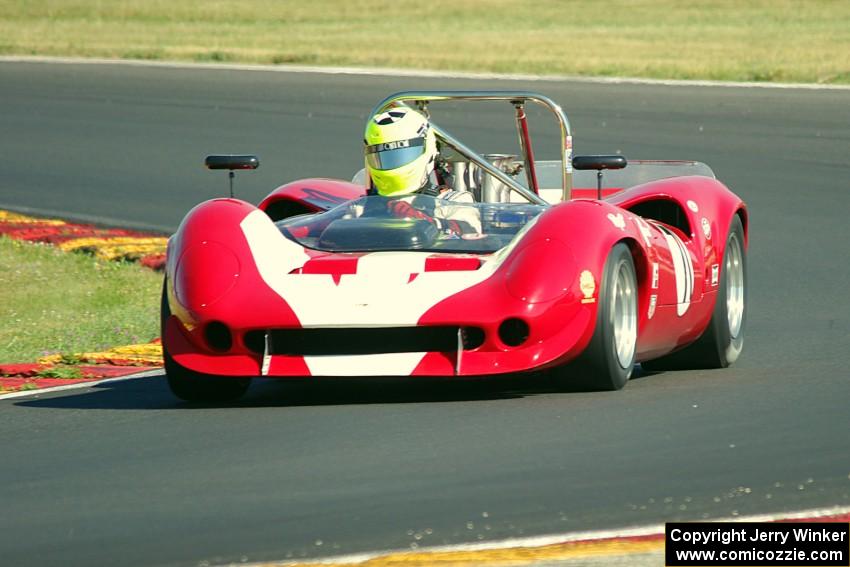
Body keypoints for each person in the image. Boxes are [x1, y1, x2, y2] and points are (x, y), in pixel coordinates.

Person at [363, 106, 481, 234]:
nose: (391, 163)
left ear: (428, 148)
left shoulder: (452, 202)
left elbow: (471, 235)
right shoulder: (362, 190)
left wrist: (421, 220)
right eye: (383, 157)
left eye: (400, 155)